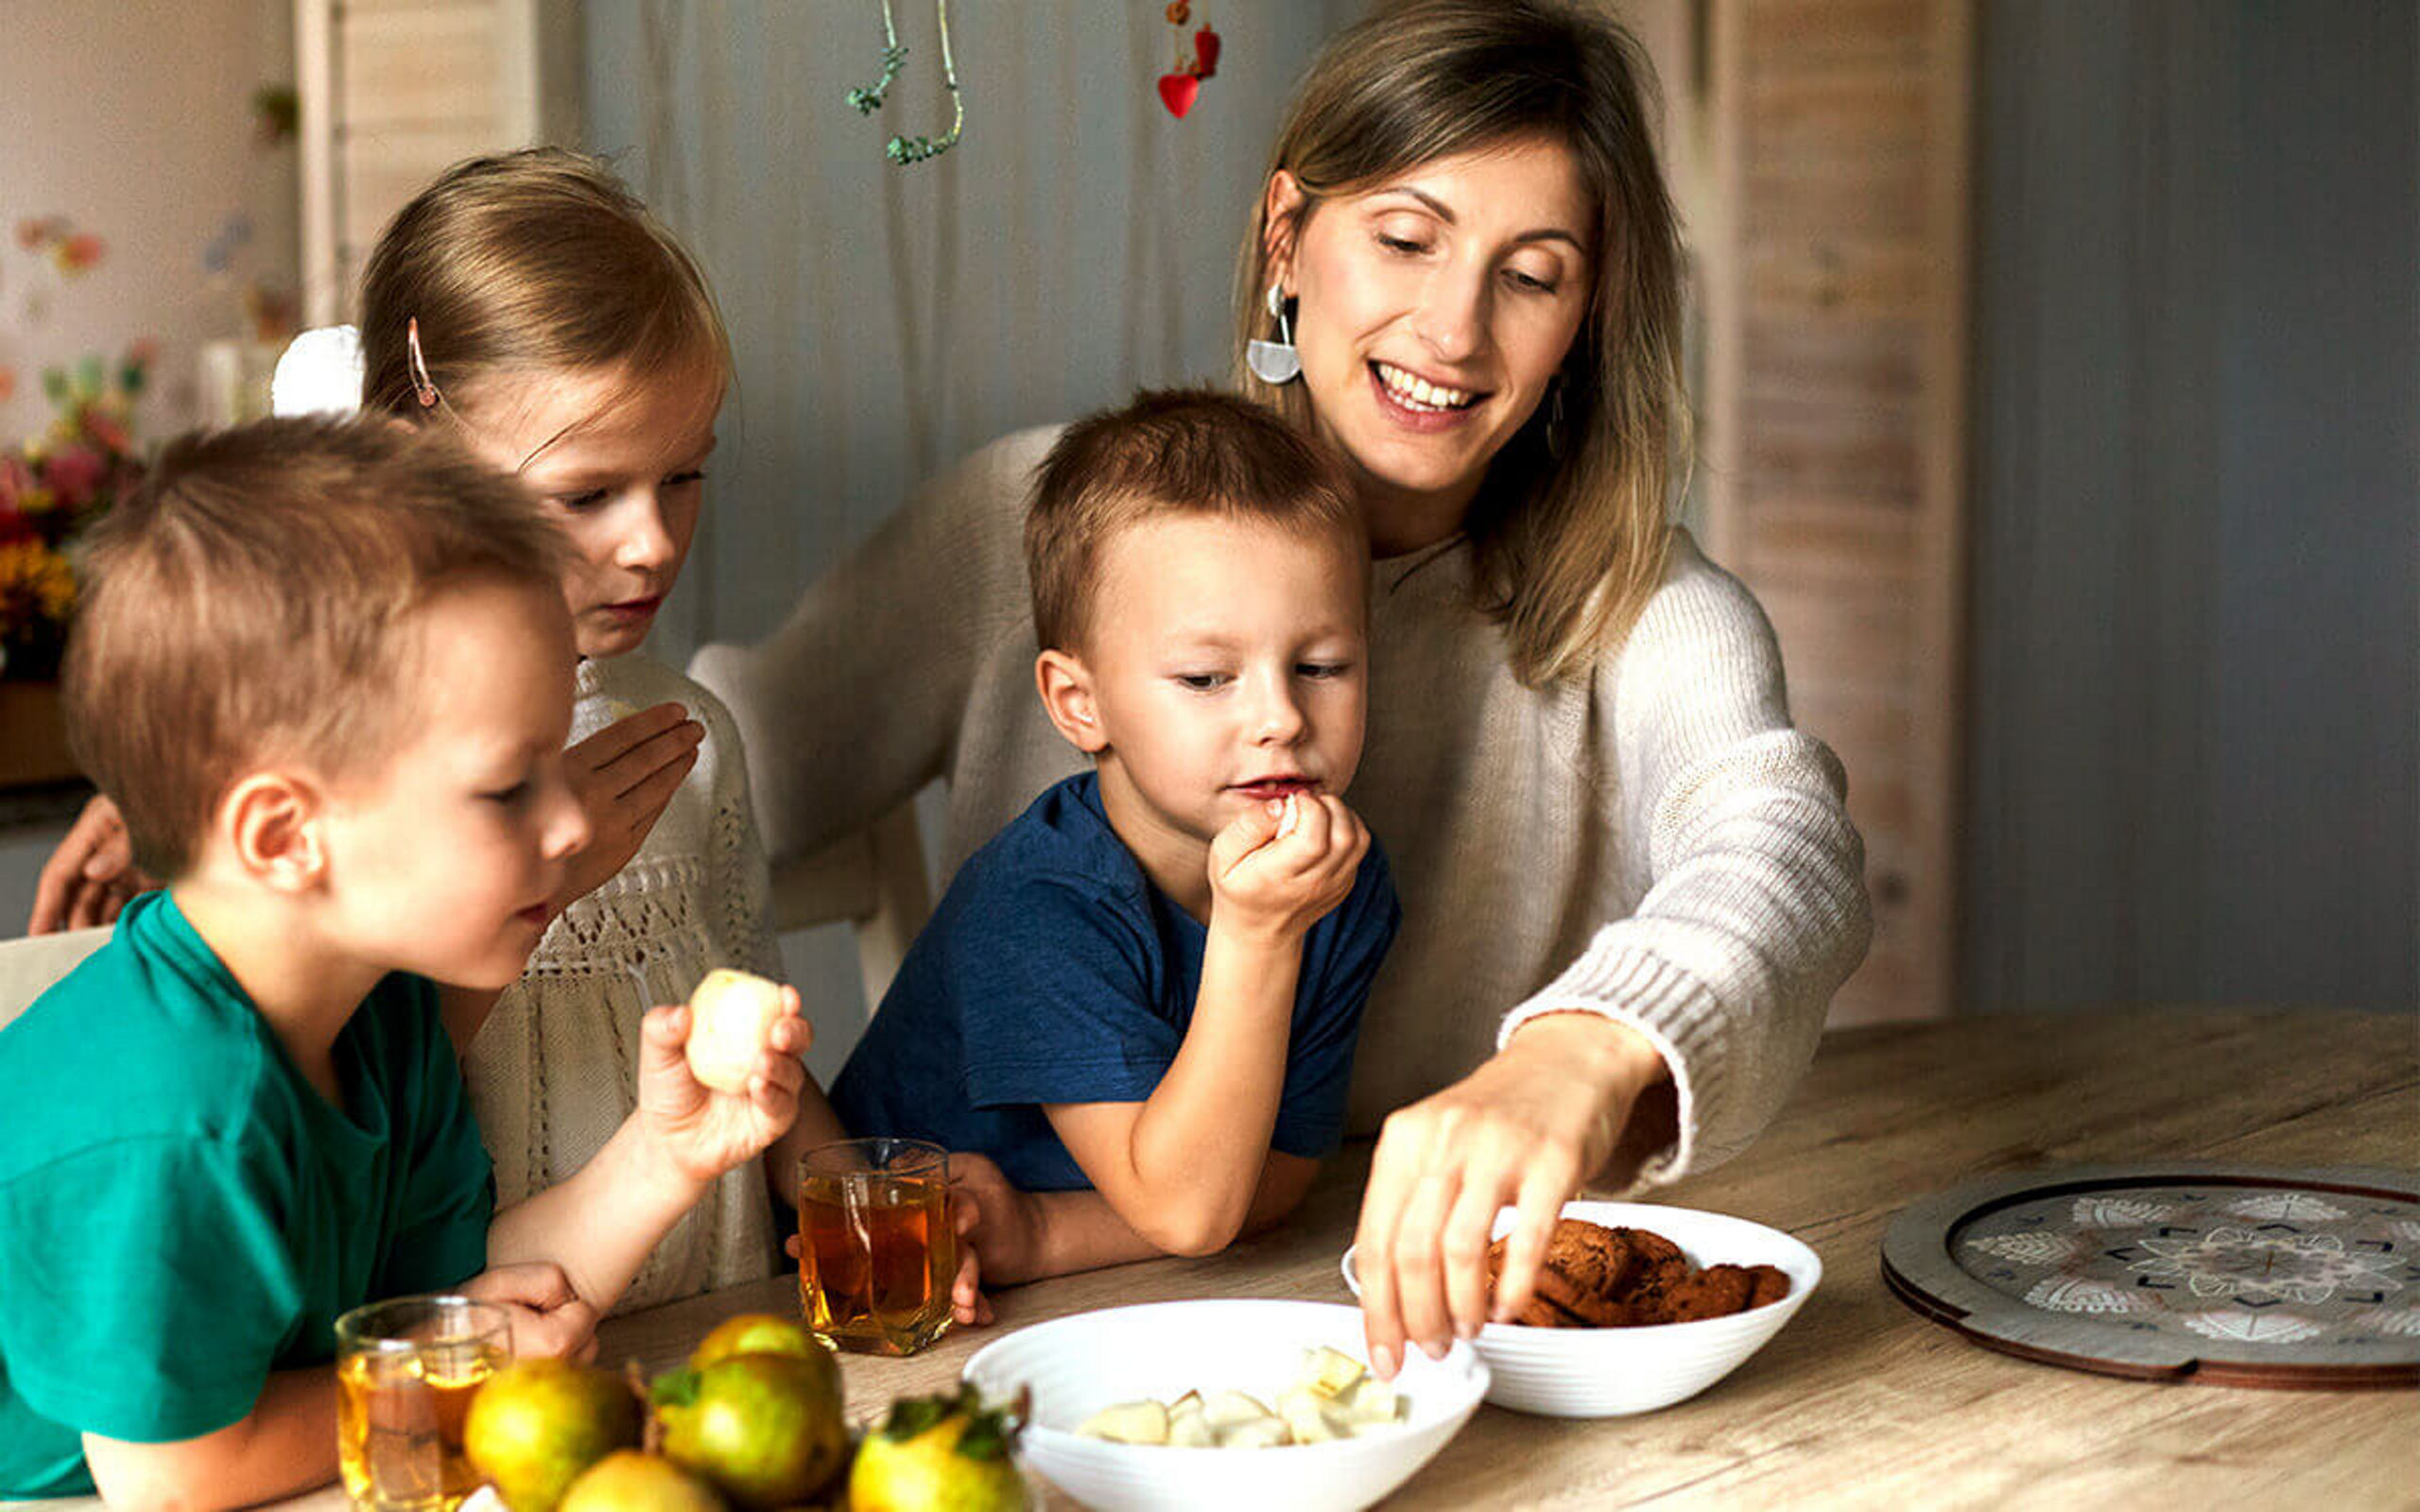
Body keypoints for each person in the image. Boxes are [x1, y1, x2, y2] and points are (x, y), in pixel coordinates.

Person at [691, 0, 1871, 1378]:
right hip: (1006, 1341)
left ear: (1586, 322)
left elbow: (1788, 855)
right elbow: (710, 783)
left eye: (1532, 274)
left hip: (1405, 1314)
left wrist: (1585, 1050)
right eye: (1406, 238)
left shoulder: (1646, 613)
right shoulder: (1039, 515)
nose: (1454, 329)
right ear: (1286, 240)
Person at [25, 149, 855, 1313]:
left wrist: (852, 1200)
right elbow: (338, 1089)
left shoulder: (694, 735)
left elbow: (742, 1017)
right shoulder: (360, 775)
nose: (653, 542)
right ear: (421, 457)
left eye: (681, 478)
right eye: (586, 493)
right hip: (451, 1323)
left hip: (699, 1314)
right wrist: (545, 872)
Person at [0, 420, 809, 1503]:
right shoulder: (178, 1114)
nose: (572, 827)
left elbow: (467, 1298)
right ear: (285, 838)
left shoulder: (373, 1012)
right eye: (509, 786)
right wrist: (461, 1385)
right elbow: (176, 1471)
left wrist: (665, 1158)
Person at [829, 391, 1399, 1273]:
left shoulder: (1337, 881)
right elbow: (1190, 1212)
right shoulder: (1035, 906)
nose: (1281, 717)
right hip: (888, 1292)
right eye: (1209, 677)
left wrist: (1050, 1235)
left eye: (1322, 666)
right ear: (1079, 703)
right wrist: (1258, 936)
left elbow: (1273, 1181)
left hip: (1097, 1284)